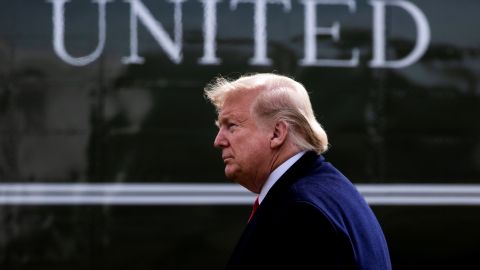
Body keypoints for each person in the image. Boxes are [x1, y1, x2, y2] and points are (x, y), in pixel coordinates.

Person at [204, 73, 392, 270]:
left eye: (231, 126)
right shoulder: (323, 191)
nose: (218, 141)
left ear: (277, 133)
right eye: (220, 127)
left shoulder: (299, 210)